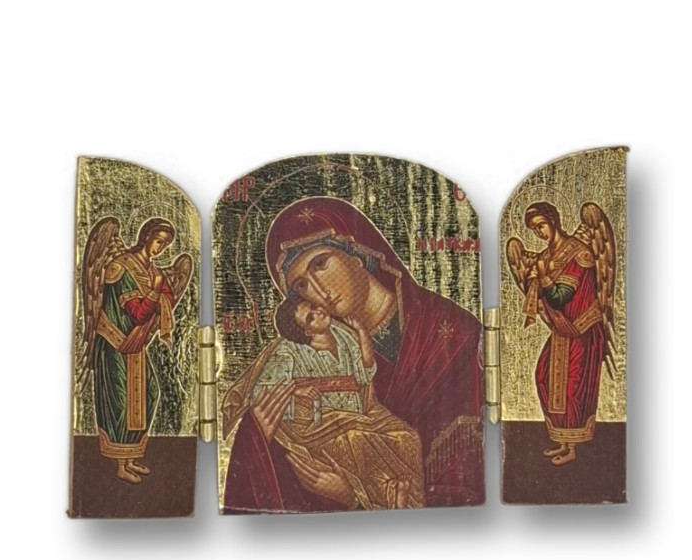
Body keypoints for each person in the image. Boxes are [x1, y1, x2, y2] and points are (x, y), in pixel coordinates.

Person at [221, 197, 484, 512]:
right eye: (301, 285)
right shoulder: (305, 351)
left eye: (321, 264)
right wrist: (257, 436)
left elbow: (468, 478)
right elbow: (283, 474)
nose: (318, 290)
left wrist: (378, 502)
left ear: (358, 253)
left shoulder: (449, 333)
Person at [233, 297, 425, 509]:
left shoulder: (344, 337)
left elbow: (366, 371)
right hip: (317, 428)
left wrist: (361, 332)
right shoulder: (287, 351)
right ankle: (386, 498)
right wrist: (296, 390)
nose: (318, 312)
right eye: (310, 317)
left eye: (313, 306)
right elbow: (262, 392)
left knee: (408, 437)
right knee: (356, 441)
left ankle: (410, 503)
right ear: (306, 331)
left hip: (358, 416)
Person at [86, 218, 190, 484]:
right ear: (146, 236)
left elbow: (168, 298)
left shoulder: (152, 270)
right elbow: (139, 313)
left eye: (165, 245)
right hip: (114, 343)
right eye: (158, 241)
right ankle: (120, 465)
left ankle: (131, 457)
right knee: (121, 402)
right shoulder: (120, 266)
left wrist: (160, 293)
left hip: (135, 344)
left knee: (149, 395)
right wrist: (156, 291)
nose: (160, 248)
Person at [519, 202, 607, 466]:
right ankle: (561, 439)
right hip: (562, 330)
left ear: (553, 220)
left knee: (571, 389)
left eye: (541, 226)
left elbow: (560, 297)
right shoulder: (547, 256)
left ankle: (572, 447)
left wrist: (543, 278)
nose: (539, 233)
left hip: (582, 330)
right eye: (534, 230)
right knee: (544, 377)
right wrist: (534, 279)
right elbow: (538, 290)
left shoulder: (580, 253)